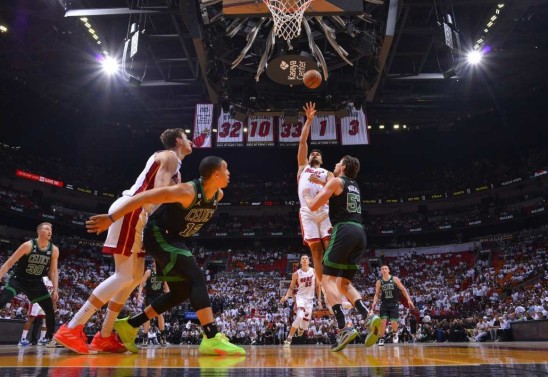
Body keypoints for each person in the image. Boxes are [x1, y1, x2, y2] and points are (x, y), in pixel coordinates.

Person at [85, 156, 245, 356]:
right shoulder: (187, 191)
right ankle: (211, 337)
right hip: (159, 236)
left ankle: (131, 325)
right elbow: (144, 197)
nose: (230, 173)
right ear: (216, 173)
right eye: (227, 169)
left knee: (181, 291)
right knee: (197, 278)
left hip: (175, 240)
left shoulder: (218, 195)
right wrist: (111, 218)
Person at [54, 128, 193, 354]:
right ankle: (73, 326)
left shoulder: (175, 164)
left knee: (135, 276)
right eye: (187, 138)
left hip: (139, 214)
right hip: (133, 211)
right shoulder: (169, 156)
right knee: (124, 275)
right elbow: (158, 192)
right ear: (178, 141)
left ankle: (105, 335)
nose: (191, 142)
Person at [306, 155, 380, 352]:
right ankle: (368, 316)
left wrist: (308, 197)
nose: (336, 164)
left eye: (338, 162)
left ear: (344, 166)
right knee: (344, 283)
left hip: (344, 230)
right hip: (360, 233)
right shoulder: (355, 185)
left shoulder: (337, 181)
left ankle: (343, 327)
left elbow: (314, 205)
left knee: (327, 280)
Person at [0, 223, 59, 346]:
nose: (50, 231)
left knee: (49, 309)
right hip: (19, 280)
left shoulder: (54, 249)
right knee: (3, 300)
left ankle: (49, 338)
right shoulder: (28, 246)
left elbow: (53, 271)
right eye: (47, 229)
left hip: (36, 282)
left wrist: (55, 289)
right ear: (39, 231)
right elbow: (9, 263)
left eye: (51, 230)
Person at [297, 102, 334, 285]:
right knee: (316, 252)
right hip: (307, 212)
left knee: (330, 248)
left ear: (322, 159)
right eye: (312, 153)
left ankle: (334, 283)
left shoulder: (327, 173)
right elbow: (303, 142)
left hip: (325, 210)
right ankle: (326, 291)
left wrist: (322, 182)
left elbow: (336, 190)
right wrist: (309, 121)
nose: (315, 154)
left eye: (318, 153)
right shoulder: (302, 167)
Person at [280, 254, 321, 347]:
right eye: (303, 259)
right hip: (300, 298)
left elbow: (318, 286)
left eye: (306, 258)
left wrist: (319, 299)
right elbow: (291, 288)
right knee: (299, 317)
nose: (305, 260)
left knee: (305, 326)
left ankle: (301, 328)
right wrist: (286, 297)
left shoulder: (314, 271)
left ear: (309, 261)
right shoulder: (296, 274)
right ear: (300, 262)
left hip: (310, 300)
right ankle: (289, 338)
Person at [371, 264, 414, 346]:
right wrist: (374, 302)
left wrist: (409, 300)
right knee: (383, 321)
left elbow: (403, 290)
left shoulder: (395, 279)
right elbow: (376, 294)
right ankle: (381, 338)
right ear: (381, 271)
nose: (384, 270)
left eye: (385, 268)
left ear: (388, 270)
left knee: (394, 322)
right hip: (384, 304)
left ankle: (395, 333)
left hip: (394, 304)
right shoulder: (379, 282)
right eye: (382, 269)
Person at [137, 260, 169, 347]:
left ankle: (162, 337)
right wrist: (139, 294)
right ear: (154, 263)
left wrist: (169, 298)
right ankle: (145, 337)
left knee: (160, 314)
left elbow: (166, 287)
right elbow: (141, 284)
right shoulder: (148, 272)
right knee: (148, 316)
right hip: (150, 297)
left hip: (159, 296)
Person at [19, 276, 55, 346]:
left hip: (46, 301)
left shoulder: (54, 280)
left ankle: (42, 339)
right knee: (30, 319)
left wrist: (53, 305)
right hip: (36, 300)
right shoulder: (42, 277)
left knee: (45, 320)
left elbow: (52, 294)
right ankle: (22, 338)